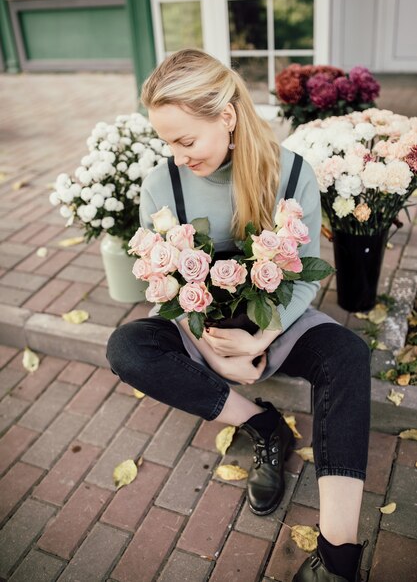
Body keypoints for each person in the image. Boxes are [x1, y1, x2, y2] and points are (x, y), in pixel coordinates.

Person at [107, 49, 370, 582]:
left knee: (349, 355)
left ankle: (338, 561)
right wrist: (211, 351)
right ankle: (263, 425)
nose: (176, 156)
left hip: (279, 319)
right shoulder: (164, 185)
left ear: (226, 116)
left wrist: (261, 340)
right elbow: (161, 288)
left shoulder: (291, 171)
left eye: (186, 141)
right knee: (127, 347)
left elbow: (308, 276)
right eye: (166, 143)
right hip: (201, 326)